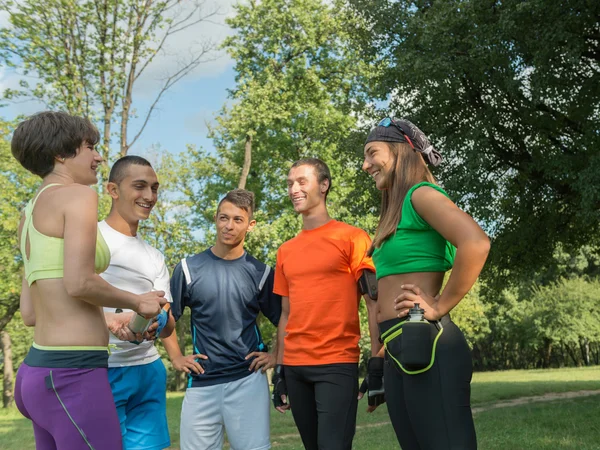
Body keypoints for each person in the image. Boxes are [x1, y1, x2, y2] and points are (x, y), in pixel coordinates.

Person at [12, 111, 165, 450]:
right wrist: (138, 301)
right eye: (89, 147)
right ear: (60, 154)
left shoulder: (28, 214)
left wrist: (111, 319)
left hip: (37, 375)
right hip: (73, 376)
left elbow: (32, 312)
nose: (98, 157)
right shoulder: (78, 196)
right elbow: (79, 283)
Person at [362, 117, 490, 450]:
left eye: (372, 153)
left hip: (427, 344)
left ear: (401, 151)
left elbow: (476, 242)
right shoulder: (398, 208)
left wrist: (440, 304)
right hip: (397, 348)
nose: (365, 165)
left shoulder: (421, 194)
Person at [272, 158, 380, 450]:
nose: (294, 189)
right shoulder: (286, 251)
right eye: (290, 183)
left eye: (301, 182)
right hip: (295, 366)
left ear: (323, 185)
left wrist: (377, 359)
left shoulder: (353, 238)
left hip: (336, 363)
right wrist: (279, 369)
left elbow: (373, 303)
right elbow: (285, 313)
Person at [162, 189, 281, 450]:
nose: (228, 226)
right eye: (223, 218)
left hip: (247, 380)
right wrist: (176, 357)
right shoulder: (187, 268)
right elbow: (166, 318)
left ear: (251, 225)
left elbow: (286, 319)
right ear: (215, 218)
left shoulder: (261, 273)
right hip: (202, 381)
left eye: (238, 220)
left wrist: (276, 355)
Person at [99, 155, 176, 450]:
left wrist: (157, 321)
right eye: (140, 186)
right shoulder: (89, 239)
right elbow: (67, 299)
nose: (149, 196)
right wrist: (110, 322)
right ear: (113, 190)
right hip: (102, 370)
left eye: (154, 188)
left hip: (148, 369)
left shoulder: (154, 256)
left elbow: (167, 325)